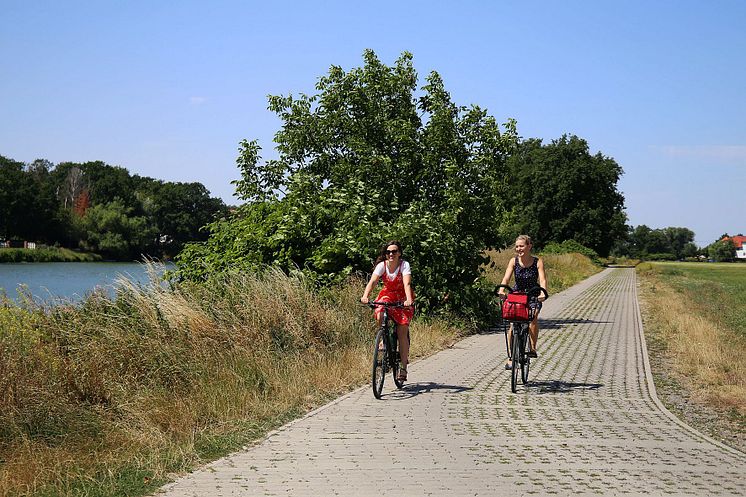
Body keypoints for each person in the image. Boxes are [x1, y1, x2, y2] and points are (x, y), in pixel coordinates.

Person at [360, 240, 415, 381]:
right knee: (380, 311)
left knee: (402, 329)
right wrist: (365, 296)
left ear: (399, 253)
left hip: (402, 297)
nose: (391, 254)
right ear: (385, 254)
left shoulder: (404, 265)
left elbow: (406, 283)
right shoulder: (381, 266)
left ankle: (403, 368)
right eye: (388, 252)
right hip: (388, 295)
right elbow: (372, 282)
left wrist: (408, 300)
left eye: (394, 251)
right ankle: (383, 337)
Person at [498, 235, 547, 370]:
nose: (519, 248)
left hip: (533, 295)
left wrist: (543, 292)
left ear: (529, 246)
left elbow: (542, 279)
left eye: (522, 246)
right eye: (517, 246)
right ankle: (511, 357)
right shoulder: (513, 261)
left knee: (533, 317)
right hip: (517, 294)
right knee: (513, 325)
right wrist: (502, 290)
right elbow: (506, 278)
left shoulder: (537, 262)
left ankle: (532, 348)